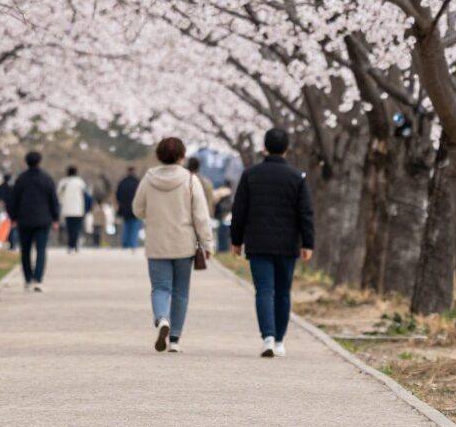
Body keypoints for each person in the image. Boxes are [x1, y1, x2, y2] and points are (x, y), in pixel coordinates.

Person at [230, 126, 314, 357]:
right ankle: (279, 341)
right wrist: (308, 243)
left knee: (264, 290)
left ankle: (267, 336)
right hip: (288, 244)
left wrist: (236, 240)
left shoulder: (250, 174)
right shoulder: (297, 177)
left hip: (258, 242)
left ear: (264, 148)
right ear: (287, 149)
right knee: (283, 291)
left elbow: (239, 210)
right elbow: (305, 212)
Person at [133, 136, 213, 353]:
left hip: (157, 242)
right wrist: (207, 243)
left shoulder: (149, 179)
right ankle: (175, 339)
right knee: (180, 292)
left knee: (160, 287)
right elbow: (201, 215)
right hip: (183, 243)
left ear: (159, 155)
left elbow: (137, 209)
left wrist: (154, 215)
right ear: (181, 156)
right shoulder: (190, 180)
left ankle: (161, 319)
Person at [11, 151, 60, 291]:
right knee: (41, 250)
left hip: (24, 220)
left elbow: (14, 200)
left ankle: (28, 279)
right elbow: (53, 200)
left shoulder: (21, 179)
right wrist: (55, 218)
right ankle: (38, 279)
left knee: (25, 251)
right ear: (40, 161)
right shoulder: (47, 179)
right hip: (43, 220)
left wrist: (13, 217)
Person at [59, 164, 89, 252]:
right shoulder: (80, 182)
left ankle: (70, 244)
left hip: (67, 209)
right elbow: (86, 195)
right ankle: (74, 244)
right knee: (77, 228)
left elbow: (59, 195)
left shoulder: (63, 182)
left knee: (69, 228)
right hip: (78, 209)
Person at [116, 166, 141, 249]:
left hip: (124, 209)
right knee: (134, 228)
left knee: (126, 227)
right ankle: (133, 244)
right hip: (135, 209)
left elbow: (118, 195)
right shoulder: (137, 182)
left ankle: (125, 245)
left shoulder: (122, 182)